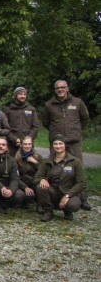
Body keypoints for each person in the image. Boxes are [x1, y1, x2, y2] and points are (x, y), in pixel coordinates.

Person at [42, 80, 90, 210]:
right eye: (57, 88)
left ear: (67, 88)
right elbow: (45, 122)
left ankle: (83, 198)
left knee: (79, 168)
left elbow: (85, 119)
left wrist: (76, 131)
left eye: (63, 87)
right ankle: (52, 196)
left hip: (74, 142)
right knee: (53, 167)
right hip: (56, 142)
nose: (60, 90)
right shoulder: (49, 105)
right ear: (55, 90)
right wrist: (56, 134)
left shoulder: (77, 102)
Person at [34, 135, 84, 222]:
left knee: (73, 205)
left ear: (65, 145)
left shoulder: (75, 162)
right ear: (52, 146)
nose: (58, 146)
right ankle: (48, 211)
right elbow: (36, 178)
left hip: (69, 192)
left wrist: (68, 195)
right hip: (53, 192)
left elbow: (81, 182)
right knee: (40, 186)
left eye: (60, 144)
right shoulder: (47, 162)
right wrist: (42, 179)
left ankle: (67, 211)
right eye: (55, 144)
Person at [3, 87, 40, 156]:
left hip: (27, 145)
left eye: (24, 94)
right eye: (20, 94)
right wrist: (14, 139)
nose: (23, 96)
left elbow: (35, 126)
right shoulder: (7, 109)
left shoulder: (31, 109)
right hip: (12, 144)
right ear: (15, 95)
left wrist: (28, 140)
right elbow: (4, 127)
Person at [15, 136, 43, 202]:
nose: (27, 146)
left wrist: (36, 163)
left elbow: (44, 171)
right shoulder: (16, 158)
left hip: (34, 182)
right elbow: (14, 176)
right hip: (22, 184)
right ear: (21, 145)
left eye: (29, 144)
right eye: (25, 144)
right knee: (24, 196)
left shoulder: (38, 156)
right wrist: (25, 187)